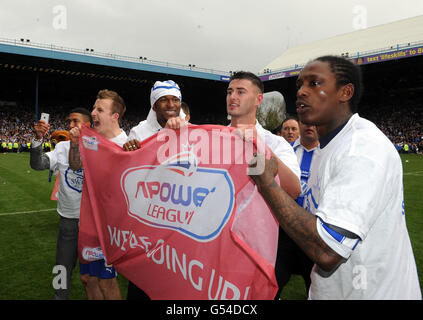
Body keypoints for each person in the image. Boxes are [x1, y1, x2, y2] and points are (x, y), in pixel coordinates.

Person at [248, 55, 421, 299]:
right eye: (299, 85)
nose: (302, 92)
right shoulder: (326, 147)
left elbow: (327, 250)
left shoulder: (361, 149)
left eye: (314, 84)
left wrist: (267, 184)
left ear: (345, 92)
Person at [123, 80, 186, 299]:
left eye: (175, 99)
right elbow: (127, 174)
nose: (171, 104)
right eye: (164, 100)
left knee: (175, 280)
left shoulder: (190, 130)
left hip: (178, 218)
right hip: (148, 220)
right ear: (154, 105)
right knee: (142, 280)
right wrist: (128, 153)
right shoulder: (139, 132)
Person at [69, 89, 128, 300]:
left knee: (106, 281)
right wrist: (75, 143)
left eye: (99, 109)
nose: (93, 113)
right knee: (88, 279)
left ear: (115, 116)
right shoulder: (89, 138)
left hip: (109, 228)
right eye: (94, 108)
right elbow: (75, 165)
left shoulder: (127, 145)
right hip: (87, 222)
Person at [30, 108, 93, 300]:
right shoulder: (62, 148)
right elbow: (38, 164)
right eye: (69, 121)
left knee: (96, 274)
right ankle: (59, 297)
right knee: (62, 266)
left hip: (94, 222)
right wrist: (37, 140)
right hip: (69, 218)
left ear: (89, 125)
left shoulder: (99, 147)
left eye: (76, 121)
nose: (71, 125)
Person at [226, 71, 301, 200]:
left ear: (258, 99)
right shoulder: (213, 138)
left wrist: (259, 144)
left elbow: (293, 191)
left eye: (240, 92)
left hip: (257, 219)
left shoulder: (276, 143)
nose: (232, 96)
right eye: (229, 92)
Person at [274, 121, 318, 299]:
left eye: (293, 129)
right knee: (273, 282)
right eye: (287, 128)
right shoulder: (285, 152)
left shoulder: (326, 153)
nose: (291, 132)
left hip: (312, 232)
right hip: (284, 230)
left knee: (315, 287)